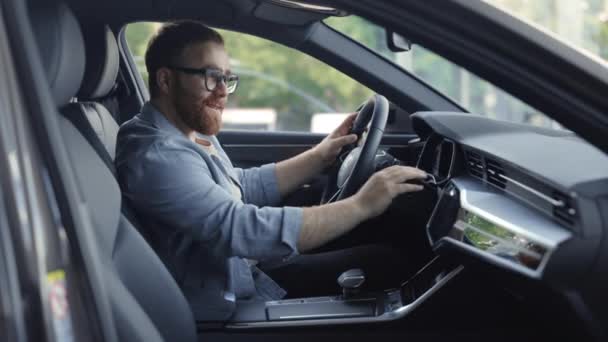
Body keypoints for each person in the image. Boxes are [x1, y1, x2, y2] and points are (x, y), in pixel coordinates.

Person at [115, 21, 427, 320]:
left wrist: (321, 155)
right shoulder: (159, 155)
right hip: (232, 296)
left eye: (227, 78)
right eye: (211, 77)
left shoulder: (187, 132)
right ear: (166, 80)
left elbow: (241, 185)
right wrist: (361, 205)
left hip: (246, 267)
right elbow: (239, 228)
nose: (223, 91)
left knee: (380, 240)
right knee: (393, 262)